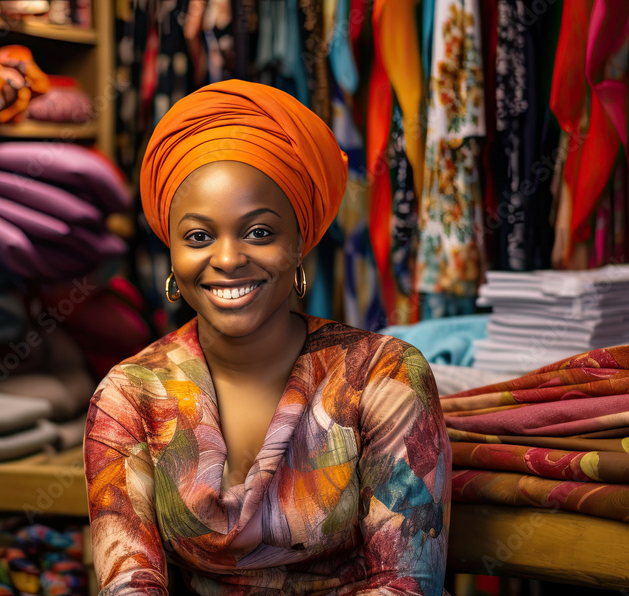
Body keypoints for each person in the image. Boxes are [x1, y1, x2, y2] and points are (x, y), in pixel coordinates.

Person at [84, 80, 452, 595]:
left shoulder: (382, 375)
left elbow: (407, 583)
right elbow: (130, 582)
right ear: (170, 250)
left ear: (300, 241)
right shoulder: (130, 394)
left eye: (259, 232)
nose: (229, 258)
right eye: (198, 236)